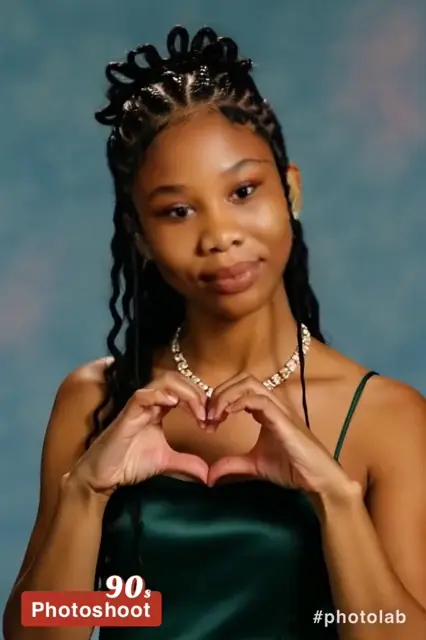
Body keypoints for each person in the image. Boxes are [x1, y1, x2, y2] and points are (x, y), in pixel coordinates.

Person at [3, 24, 426, 640]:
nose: (219, 235)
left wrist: (334, 498)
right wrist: (87, 493)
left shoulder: (387, 417)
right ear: (141, 236)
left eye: (243, 191)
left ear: (291, 190)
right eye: (178, 210)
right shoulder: (94, 400)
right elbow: (36, 631)